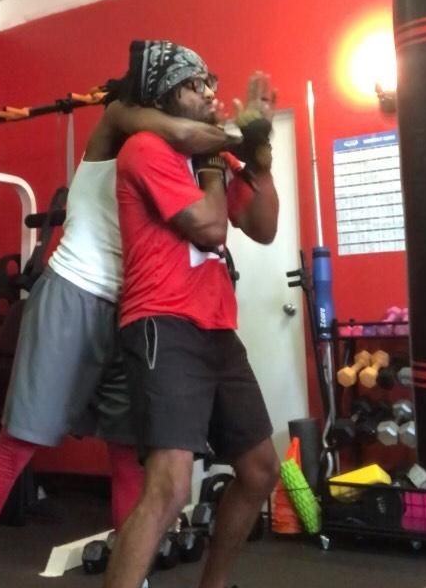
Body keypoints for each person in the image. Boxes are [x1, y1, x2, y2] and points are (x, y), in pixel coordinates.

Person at [0, 76, 240, 588]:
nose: (200, 95)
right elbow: (187, 131)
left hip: (133, 309)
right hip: (73, 294)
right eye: (188, 85)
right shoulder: (120, 120)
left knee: (126, 452)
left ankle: (131, 574)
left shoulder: (173, 153)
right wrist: (237, 130)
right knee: (21, 442)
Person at [105, 40, 281, 588]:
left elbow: (264, 226)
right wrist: (214, 161)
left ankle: (215, 584)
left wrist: (259, 161)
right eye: (194, 86)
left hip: (215, 330)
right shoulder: (145, 149)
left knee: (259, 469)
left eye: (210, 84)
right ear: (166, 96)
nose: (209, 94)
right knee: (169, 488)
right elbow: (209, 227)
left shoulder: (214, 157)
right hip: (162, 324)